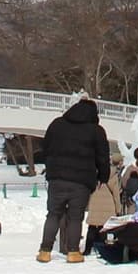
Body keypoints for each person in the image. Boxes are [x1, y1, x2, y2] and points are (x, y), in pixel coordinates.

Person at [38, 96, 112, 264]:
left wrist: (51, 167)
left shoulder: (57, 124)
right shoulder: (96, 130)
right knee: (75, 217)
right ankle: (73, 252)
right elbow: (102, 157)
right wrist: (103, 177)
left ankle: (45, 250)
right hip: (81, 182)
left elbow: (45, 147)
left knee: (53, 214)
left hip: (56, 178)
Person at [83, 153, 127, 256]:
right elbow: (116, 194)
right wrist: (118, 208)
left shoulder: (93, 172)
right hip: (108, 203)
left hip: (95, 201)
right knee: (105, 228)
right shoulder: (113, 175)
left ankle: (87, 249)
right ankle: (102, 249)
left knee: (92, 227)